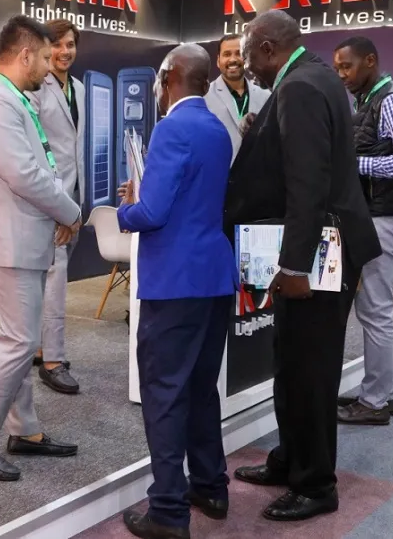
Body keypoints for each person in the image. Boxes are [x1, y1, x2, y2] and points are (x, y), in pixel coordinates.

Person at [225, 10, 381, 521]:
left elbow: (309, 183)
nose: (247, 67)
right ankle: (290, 459)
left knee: (310, 371)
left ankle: (315, 484)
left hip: (319, 256)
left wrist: (295, 267)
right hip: (322, 248)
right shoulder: (312, 77)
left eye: (249, 56)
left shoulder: (300, 87)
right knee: (291, 362)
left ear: (269, 47)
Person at [0, 15, 82, 481]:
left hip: (25, 237)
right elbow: (24, 175)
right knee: (18, 342)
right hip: (10, 241)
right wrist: (69, 212)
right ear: (25, 55)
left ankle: (23, 429)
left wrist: (58, 213)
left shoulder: (15, 99)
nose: (50, 67)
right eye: (45, 57)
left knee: (19, 338)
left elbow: (39, 167)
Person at [117, 43, 239, 539]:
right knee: (200, 388)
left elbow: (153, 212)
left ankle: (168, 511)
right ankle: (210, 486)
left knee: (163, 393)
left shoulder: (171, 128)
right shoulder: (217, 128)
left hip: (175, 283)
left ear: (168, 77)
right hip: (213, 277)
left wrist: (125, 209)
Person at [332, 36, 393, 426]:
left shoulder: (390, 100)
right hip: (379, 215)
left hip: (384, 219)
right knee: (375, 309)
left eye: (347, 66)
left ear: (370, 61)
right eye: (338, 68)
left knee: (375, 310)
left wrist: (358, 165)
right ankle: (381, 393)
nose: (342, 75)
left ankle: (374, 402)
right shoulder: (369, 100)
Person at [27, 19, 86, 394]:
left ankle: (38, 346)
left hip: (74, 195)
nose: (65, 52)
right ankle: (53, 360)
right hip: (50, 199)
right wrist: (56, 203)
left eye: (71, 44)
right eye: (59, 45)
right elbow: (35, 148)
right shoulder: (36, 87)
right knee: (55, 280)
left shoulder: (79, 88)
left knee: (48, 279)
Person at [204, 33, 271, 164]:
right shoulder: (204, 97)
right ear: (218, 60)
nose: (233, 59)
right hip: (220, 173)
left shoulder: (265, 96)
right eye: (227, 54)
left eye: (238, 53)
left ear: (246, 57)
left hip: (257, 172)